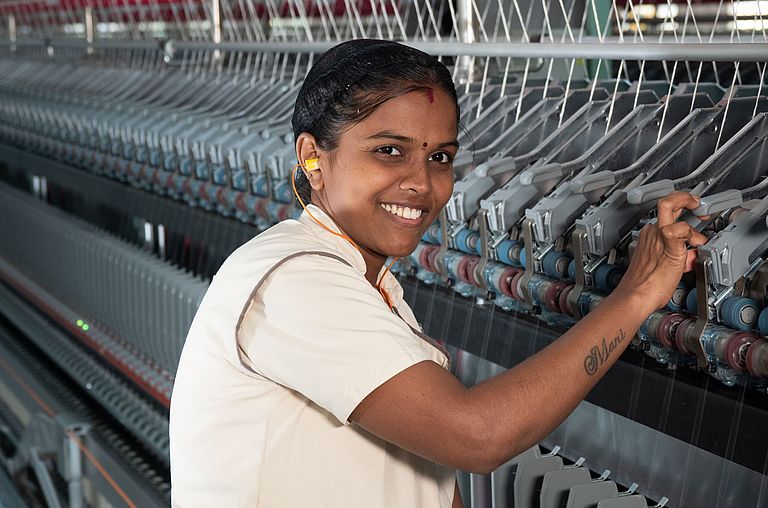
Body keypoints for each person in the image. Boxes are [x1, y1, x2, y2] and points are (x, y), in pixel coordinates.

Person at [169, 39, 707, 507]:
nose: (421, 184)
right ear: (313, 156)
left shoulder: (370, 286)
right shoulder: (295, 282)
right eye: (388, 151)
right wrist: (632, 297)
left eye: (440, 158)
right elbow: (477, 437)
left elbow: (425, 482)